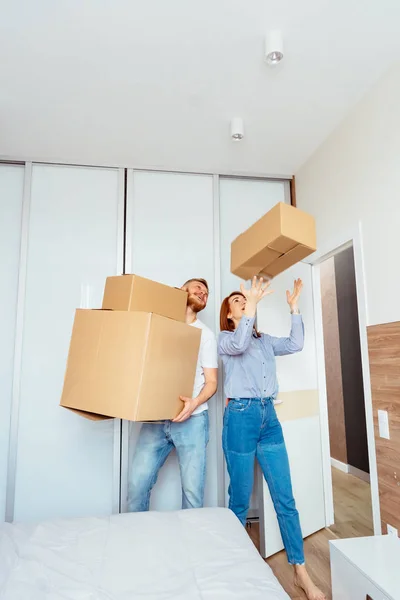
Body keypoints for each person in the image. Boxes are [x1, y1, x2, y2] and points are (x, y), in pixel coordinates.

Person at [218, 276, 326, 600]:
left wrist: (294, 309)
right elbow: (239, 344)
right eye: (238, 301)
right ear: (230, 316)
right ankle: (235, 569)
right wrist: (252, 302)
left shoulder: (264, 341)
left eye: (246, 299)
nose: (245, 301)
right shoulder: (225, 340)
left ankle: (301, 574)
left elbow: (295, 344)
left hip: (269, 419)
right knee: (238, 500)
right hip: (240, 418)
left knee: (285, 498)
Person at [128, 278, 218, 512]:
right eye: (198, 288)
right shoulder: (159, 324)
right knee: (137, 486)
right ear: (180, 291)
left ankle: (190, 546)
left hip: (193, 420)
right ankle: (131, 542)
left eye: (206, 293)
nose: (203, 293)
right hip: (155, 418)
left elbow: (212, 382)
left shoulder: (206, 335)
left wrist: (194, 403)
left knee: (192, 494)